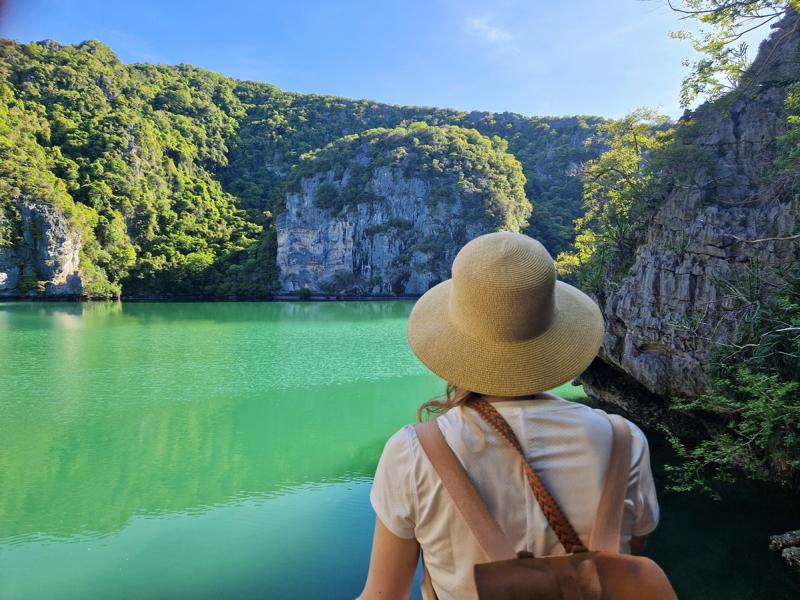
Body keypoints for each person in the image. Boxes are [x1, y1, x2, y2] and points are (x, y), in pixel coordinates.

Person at [358, 232, 660, 600]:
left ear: (455, 339)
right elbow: (629, 557)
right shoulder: (624, 442)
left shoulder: (413, 453)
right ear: (553, 331)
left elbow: (383, 595)